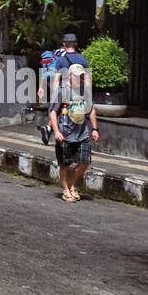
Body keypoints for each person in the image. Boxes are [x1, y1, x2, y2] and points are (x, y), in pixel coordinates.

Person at [49, 62, 99, 202]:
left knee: (84, 161)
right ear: (70, 76)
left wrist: (94, 128)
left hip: (82, 133)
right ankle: (66, 190)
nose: (80, 79)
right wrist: (56, 131)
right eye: (77, 77)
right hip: (65, 134)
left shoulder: (85, 92)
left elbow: (91, 110)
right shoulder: (61, 92)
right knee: (65, 164)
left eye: (82, 76)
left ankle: (72, 185)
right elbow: (53, 113)